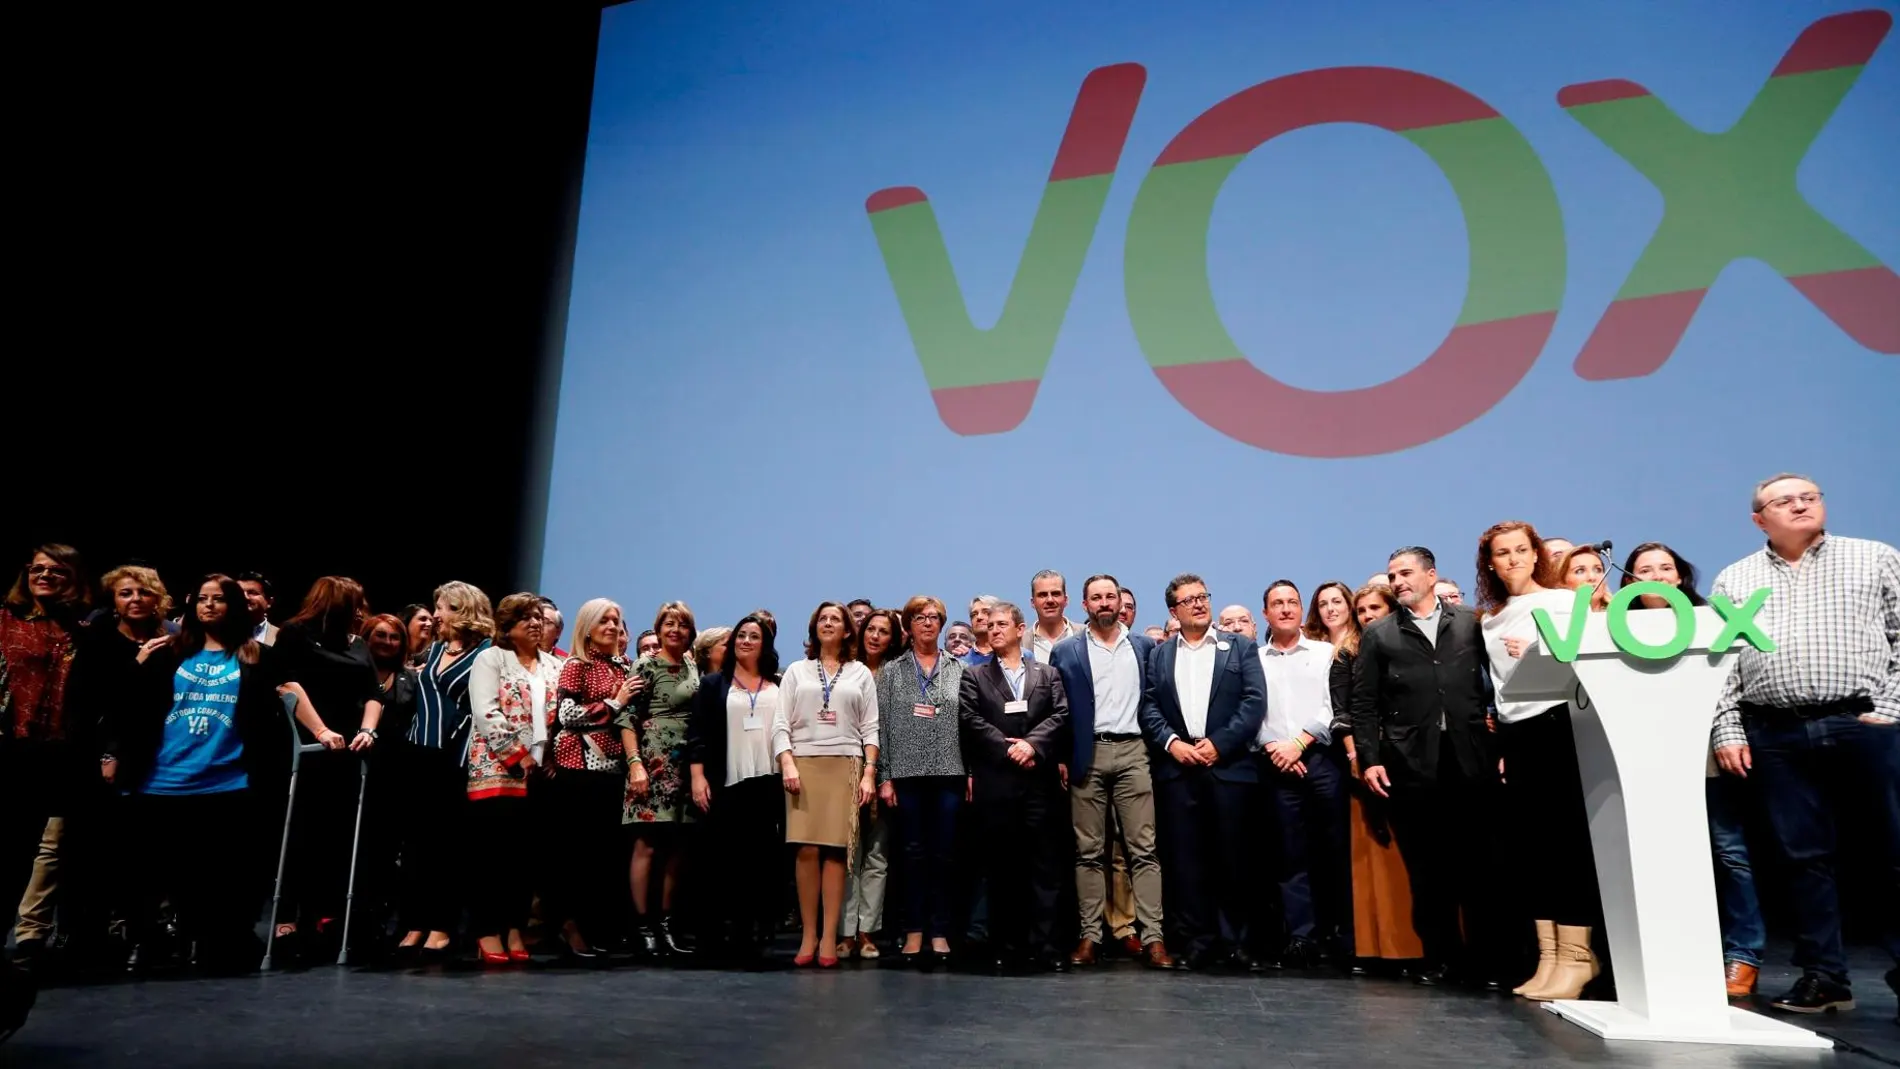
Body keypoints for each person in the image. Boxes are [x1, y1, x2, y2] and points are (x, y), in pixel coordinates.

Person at [1709, 474, 1900, 1017]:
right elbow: (1722, 664)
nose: (1799, 505)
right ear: (1758, 519)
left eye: (1809, 496)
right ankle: (1825, 976)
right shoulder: (1736, 578)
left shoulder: (1875, 558)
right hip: (1775, 732)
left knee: (1890, 854)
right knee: (1802, 859)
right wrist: (1729, 729)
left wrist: (1887, 710)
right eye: (1783, 500)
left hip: (1862, 723)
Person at [1352, 546, 1505, 988]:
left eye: (1405, 573)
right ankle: (1442, 958)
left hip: (1470, 757)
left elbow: (1497, 681)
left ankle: (1486, 962)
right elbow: (1364, 704)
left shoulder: (1470, 623)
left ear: (1432, 575)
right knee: (1427, 869)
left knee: (1478, 868)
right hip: (1411, 763)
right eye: (1392, 575)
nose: (1398, 582)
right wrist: (1370, 759)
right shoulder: (1380, 634)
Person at [1625, 541, 1763, 998]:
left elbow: (1730, 683)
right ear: (1630, 581)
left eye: (1666, 567)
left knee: (1728, 854)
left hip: (1706, 753)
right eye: (1646, 569)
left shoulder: (1712, 621)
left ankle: (1742, 955)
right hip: (1644, 760)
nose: (1658, 575)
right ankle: (1671, 956)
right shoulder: (1612, 629)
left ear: (1682, 576)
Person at [1477, 522, 1601, 1001]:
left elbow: (1588, 659)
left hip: (1557, 724)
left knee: (1564, 842)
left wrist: (1538, 653)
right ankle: (1549, 956)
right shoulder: (1492, 618)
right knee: (1533, 847)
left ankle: (1576, 956)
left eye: (1520, 550)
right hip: (1515, 732)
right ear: (1491, 562)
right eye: (1502, 553)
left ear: (1536, 555)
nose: (1512, 559)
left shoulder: (1564, 602)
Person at [1140, 574, 1266, 970]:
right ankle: (1197, 941)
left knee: (1235, 860)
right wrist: (1173, 743)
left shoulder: (1240, 647)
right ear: (1173, 611)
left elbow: (1253, 702)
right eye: (1188, 600)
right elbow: (1148, 707)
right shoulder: (1159, 655)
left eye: (1202, 597)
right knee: (1187, 862)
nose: (1198, 604)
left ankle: (1237, 943)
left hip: (1228, 768)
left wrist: (1220, 744)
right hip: (1179, 770)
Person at [1048, 575, 1171, 969]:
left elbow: (1155, 702)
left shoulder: (1145, 647)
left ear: (1121, 602)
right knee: (1088, 853)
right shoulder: (1066, 651)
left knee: (1144, 850)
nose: (1104, 602)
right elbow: (1060, 711)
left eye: (1110, 596)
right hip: (1089, 753)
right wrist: (1064, 755)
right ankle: (1090, 936)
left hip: (1134, 750)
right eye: (1096, 597)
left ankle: (1153, 937)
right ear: (1084, 605)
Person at [958, 601, 1070, 971]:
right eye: (989, 625)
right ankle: (1005, 945)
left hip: (1039, 783)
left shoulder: (1047, 673)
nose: (993, 630)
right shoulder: (974, 676)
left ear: (1021, 629)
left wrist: (1032, 745)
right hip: (998, 784)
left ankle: (1048, 947)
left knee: (1044, 868)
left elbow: (1060, 714)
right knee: (1002, 869)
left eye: (1001, 624)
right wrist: (1008, 749)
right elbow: (971, 719)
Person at [774, 602, 879, 968]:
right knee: (805, 850)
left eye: (836, 618)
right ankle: (808, 934)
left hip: (846, 763)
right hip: (803, 764)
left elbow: (870, 727)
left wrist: (869, 772)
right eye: (822, 619)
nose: (829, 623)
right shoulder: (796, 672)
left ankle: (830, 938)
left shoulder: (860, 673)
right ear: (813, 628)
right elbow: (780, 724)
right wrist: (787, 761)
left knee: (836, 852)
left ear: (849, 629)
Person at [465, 594, 562, 965]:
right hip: (499, 769)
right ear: (507, 625)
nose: (535, 623)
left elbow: (558, 719)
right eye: (526, 618)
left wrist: (548, 757)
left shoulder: (552, 665)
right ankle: (487, 929)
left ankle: (513, 926)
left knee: (526, 857)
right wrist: (517, 757)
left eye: (539, 617)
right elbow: (486, 711)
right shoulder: (491, 658)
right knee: (494, 856)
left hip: (541, 773)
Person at [1254, 580, 1346, 970]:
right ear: (1266, 613)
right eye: (1278, 603)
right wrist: (1277, 747)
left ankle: (1339, 935)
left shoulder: (1325, 653)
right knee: (1289, 854)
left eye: (1292, 602)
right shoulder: (1254, 659)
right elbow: (1250, 710)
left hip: (1321, 758)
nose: (1287, 608)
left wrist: (1301, 742)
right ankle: (1301, 937)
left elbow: (1333, 703)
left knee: (1333, 849)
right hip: (1275, 763)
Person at [687, 616, 784, 965]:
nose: (745, 641)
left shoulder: (776, 685)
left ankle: (747, 936)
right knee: (719, 862)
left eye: (753, 636)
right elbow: (697, 734)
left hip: (766, 784)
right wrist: (698, 777)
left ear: (765, 645)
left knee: (756, 863)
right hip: (724, 782)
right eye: (740, 635)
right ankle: (712, 938)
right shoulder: (715, 684)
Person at [874, 596, 966, 967]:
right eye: (919, 617)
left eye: (934, 618)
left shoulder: (959, 668)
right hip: (906, 774)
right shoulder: (893, 671)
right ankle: (914, 930)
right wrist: (885, 777)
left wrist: (971, 773)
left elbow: (970, 725)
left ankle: (939, 930)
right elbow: (881, 727)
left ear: (942, 625)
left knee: (944, 854)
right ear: (908, 625)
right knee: (911, 855)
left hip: (950, 771)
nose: (927, 623)